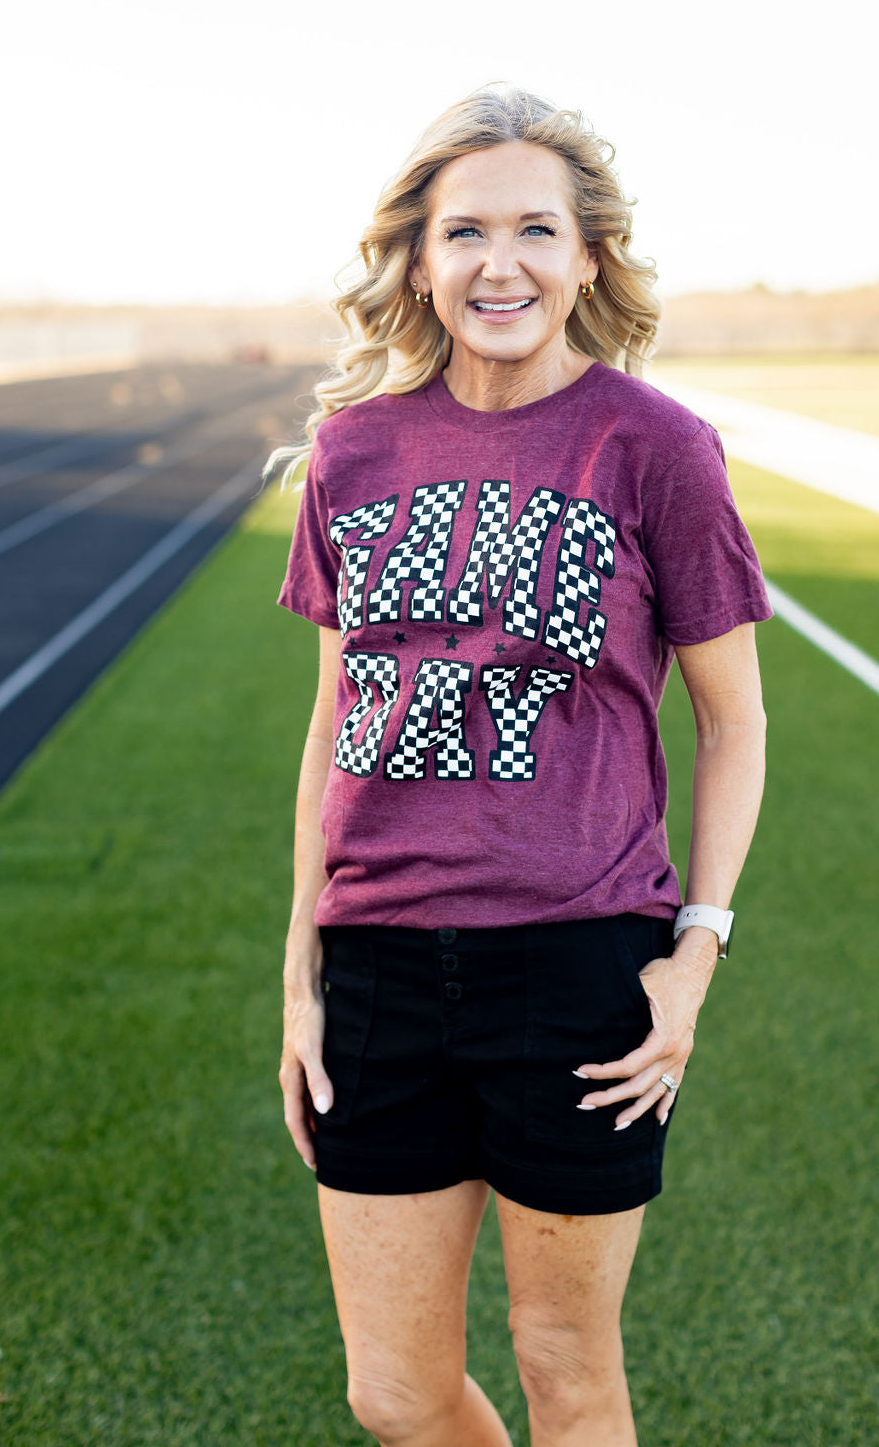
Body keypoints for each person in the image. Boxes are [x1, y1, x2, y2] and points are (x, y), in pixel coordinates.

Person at [266, 84, 772, 1447]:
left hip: (579, 965)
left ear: (586, 257)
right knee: (394, 1393)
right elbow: (336, 723)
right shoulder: (351, 452)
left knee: (567, 1369)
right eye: (466, 232)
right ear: (419, 263)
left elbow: (736, 720)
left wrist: (695, 955)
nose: (502, 263)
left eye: (536, 231)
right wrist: (302, 971)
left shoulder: (654, 448)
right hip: (378, 966)